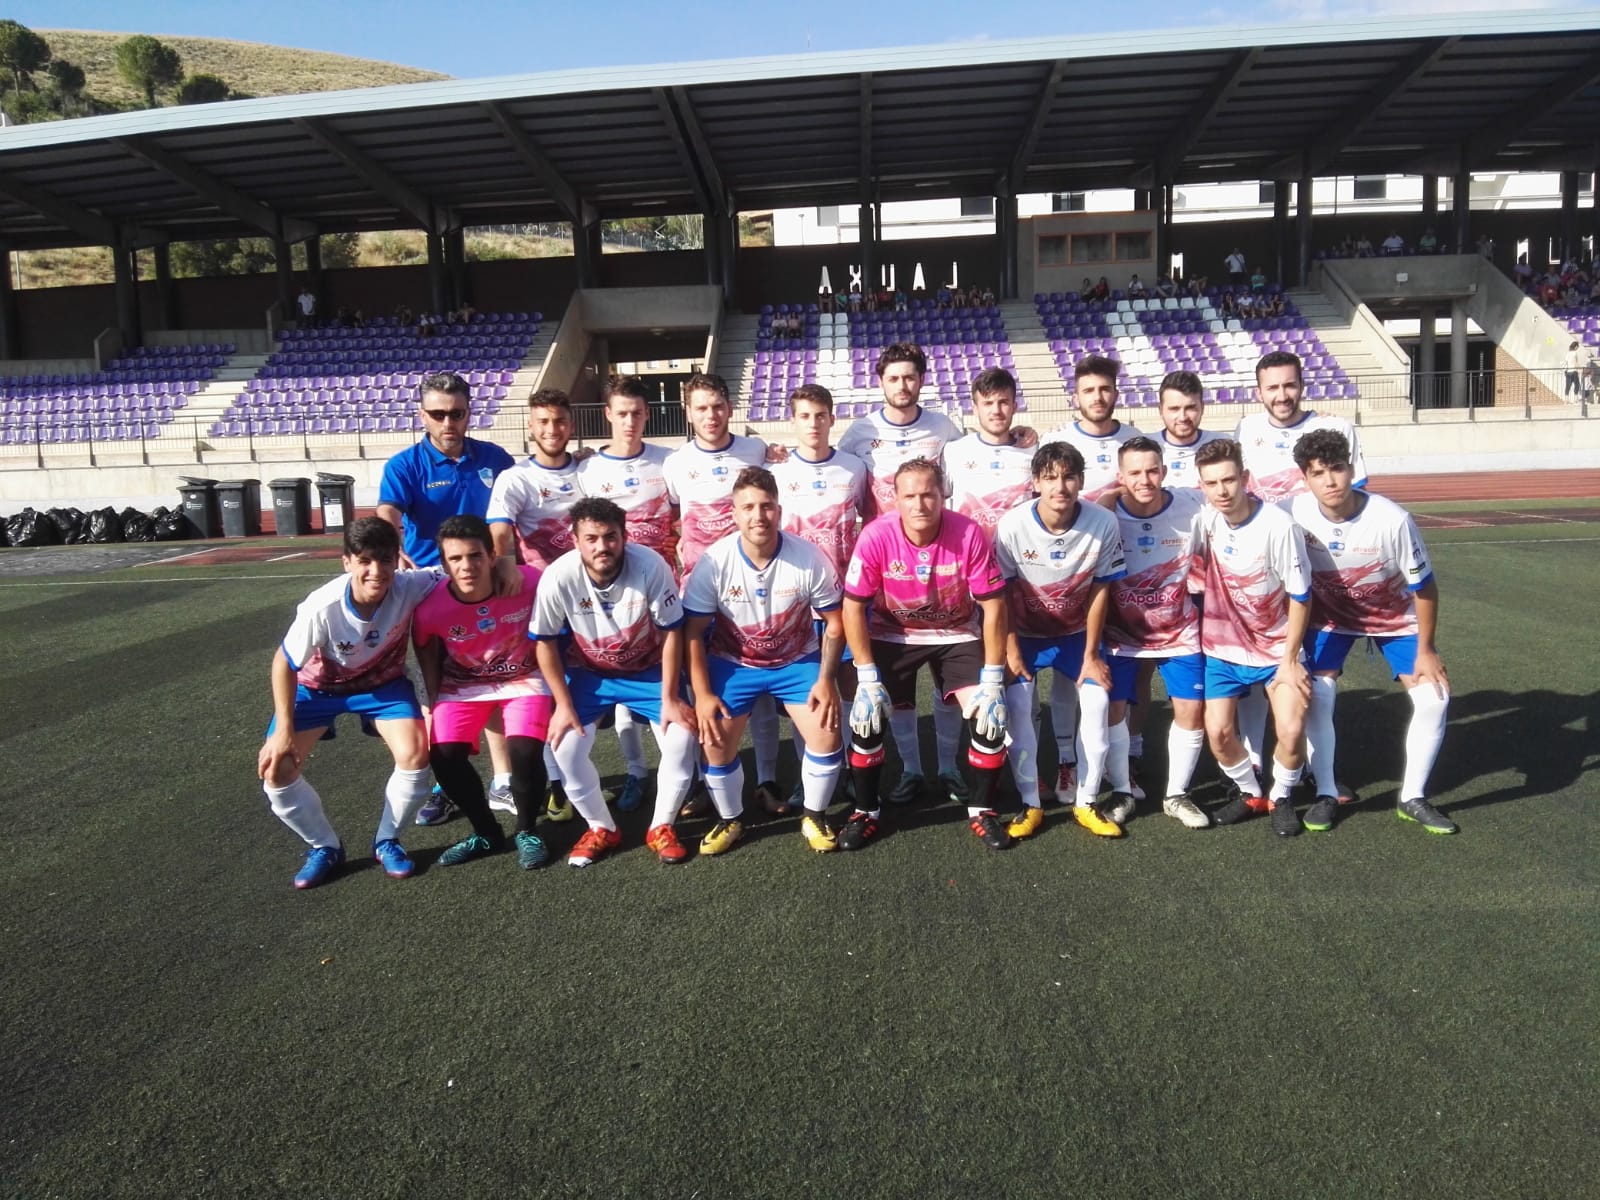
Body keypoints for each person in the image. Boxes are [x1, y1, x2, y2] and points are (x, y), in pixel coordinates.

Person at [256, 518, 506, 889]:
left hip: (382, 687)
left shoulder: (412, 584)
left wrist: (508, 564)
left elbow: (465, 565)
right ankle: (324, 846)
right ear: (347, 563)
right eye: (365, 561)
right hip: (316, 690)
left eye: (385, 560)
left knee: (417, 754)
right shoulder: (321, 607)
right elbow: (283, 663)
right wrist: (284, 730)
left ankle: (387, 840)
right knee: (277, 770)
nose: (377, 571)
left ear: (396, 560)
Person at [837, 344, 1031, 806]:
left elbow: (980, 448)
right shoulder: (858, 433)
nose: (902, 385)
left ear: (922, 380)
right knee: (892, 700)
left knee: (959, 697)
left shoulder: (945, 428)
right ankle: (909, 772)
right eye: (894, 377)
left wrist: (1021, 435)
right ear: (880, 381)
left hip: (949, 573)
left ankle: (948, 770)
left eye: (910, 377)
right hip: (889, 575)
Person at [840, 458, 1014, 851]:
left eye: (928, 494)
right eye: (910, 496)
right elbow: (852, 607)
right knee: (866, 716)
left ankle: (982, 809)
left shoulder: (968, 532)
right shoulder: (875, 535)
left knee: (989, 716)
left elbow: (994, 605)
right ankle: (866, 811)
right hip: (893, 633)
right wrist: (867, 678)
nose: (920, 504)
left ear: (942, 495)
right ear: (895, 500)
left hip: (957, 632)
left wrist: (991, 678)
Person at [1289, 430, 1456, 835]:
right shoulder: (1291, 512)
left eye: (1338, 469)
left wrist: (1427, 648)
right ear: (1305, 478)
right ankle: (1327, 792)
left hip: (1393, 618)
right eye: (1318, 473)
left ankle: (1412, 797)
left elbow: (1425, 587)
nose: (1330, 481)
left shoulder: (1392, 519)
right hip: (1329, 618)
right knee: (1317, 694)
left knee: (1434, 698)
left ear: (1352, 469)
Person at [375, 371, 520, 825]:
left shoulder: (495, 458)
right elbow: (388, 511)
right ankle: (448, 783)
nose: (448, 422)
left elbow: (520, 500)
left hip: (488, 582)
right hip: (430, 587)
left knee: (495, 679)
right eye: (438, 414)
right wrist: (390, 542)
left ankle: (504, 781)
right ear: (422, 415)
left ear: (468, 413)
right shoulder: (405, 466)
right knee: (438, 690)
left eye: (456, 413)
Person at [683, 468, 848, 855]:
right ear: (734, 514)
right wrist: (704, 694)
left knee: (826, 733)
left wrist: (826, 680)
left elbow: (836, 625)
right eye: (749, 508)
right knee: (714, 741)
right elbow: (692, 633)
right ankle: (730, 819)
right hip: (733, 662)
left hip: (796, 662)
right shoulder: (714, 561)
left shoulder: (808, 556)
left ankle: (814, 814)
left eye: (766, 506)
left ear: (779, 509)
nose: (759, 516)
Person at [531, 498, 700, 867]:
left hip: (648, 671)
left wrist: (671, 697)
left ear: (624, 537)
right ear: (575, 539)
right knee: (564, 748)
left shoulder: (650, 565)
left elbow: (673, 631)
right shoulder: (558, 576)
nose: (602, 546)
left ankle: (661, 826)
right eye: (591, 538)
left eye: (610, 536)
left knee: (682, 737)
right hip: (590, 676)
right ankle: (601, 827)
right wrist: (562, 705)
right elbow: (544, 642)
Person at [994, 443, 1128, 840]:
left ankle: (1086, 801)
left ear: (1081, 481)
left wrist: (1091, 653)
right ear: (1035, 482)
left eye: (1069, 476)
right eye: (1050, 477)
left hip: (1075, 636)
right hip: (1027, 635)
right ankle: (1030, 803)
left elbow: (1101, 590)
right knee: (1018, 705)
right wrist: (1012, 648)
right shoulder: (1013, 525)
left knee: (1098, 701)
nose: (1060, 486)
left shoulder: (1103, 523)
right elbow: (1001, 594)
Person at [662, 372, 782, 813]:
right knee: (700, 690)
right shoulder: (674, 464)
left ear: (730, 408)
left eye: (717, 406)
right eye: (701, 408)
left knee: (760, 686)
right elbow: (674, 516)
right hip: (698, 593)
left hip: (752, 592)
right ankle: (700, 780)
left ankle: (767, 779)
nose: (710, 415)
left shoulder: (756, 452)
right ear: (688, 413)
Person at [412, 515, 553, 869]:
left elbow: (564, 593)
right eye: (455, 559)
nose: (466, 566)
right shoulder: (431, 608)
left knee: (523, 751)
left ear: (492, 556)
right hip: (462, 686)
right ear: (443, 564)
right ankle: (486, 832)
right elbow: (425, 646)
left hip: (525, 680)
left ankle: (526, 830)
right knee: (442, 756)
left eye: (475, 555)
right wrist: (433, 698)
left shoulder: (529, 582)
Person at [1192, 439, 1312, 837]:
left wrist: (1290, 660)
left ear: (1244, 478)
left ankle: (1281, 796)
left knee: (1292, 729)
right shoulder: (1205, 520)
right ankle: (1249, 792)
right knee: (1219, 734)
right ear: (1202, 486)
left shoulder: (1279, 526)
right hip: (1224, 652)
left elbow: (1300, 596)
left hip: (1276, 651)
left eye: (1229, 480)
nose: (1222, 491)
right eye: (1212, 483)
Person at [575, 375, 677, 812]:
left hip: (664, 588)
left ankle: (680, 773)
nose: (630, 421)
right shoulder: (589, 470)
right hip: (610, 597)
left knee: (666, 682)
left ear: (647, 414)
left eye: (637, 412)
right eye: (622, 413)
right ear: (608, 416)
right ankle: (637, 771)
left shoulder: (669, 462)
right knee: (620, 683)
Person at [1104, 438, 1211, 829]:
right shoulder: (1104, 514)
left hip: (1179, 632)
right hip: (1120, 636)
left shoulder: (1192, 505)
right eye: (1134, 472)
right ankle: (1120, 790)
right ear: (1120, 477)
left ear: (1164, 471)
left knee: (1191, 710)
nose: (1144, 479)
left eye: (1152, 470)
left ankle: (1176, 795)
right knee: (1113, 709)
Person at [1235, 350, 1366, 503]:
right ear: (1259, 393)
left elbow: (1357, 491)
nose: (1282, 396)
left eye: (1289, 386)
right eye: (1272, 388)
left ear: (1302, 386)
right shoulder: (1246, 428)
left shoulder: (1336, 428)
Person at [488, 388, 584, 570]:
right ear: (530, 426)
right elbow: (499, 533)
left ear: (572, 426)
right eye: (543, 421)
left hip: (585, 583)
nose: (552, 429)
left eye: (560, 421)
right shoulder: (514, 478)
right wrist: (503, 568)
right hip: (538, 585)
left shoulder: (587, 469)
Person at [942, 367, 1036, 535]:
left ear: (1014, 407)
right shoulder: (954, 451)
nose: (996, 411)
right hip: (970, 556)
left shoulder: (1033, 451)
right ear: (975, 408)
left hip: (1018, 558)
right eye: (988, 403)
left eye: (1003, 402)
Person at [1153, 370, 1228, 492]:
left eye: (1190, 408)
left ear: (1202, 408)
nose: (1183, 417)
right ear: (1160, 410)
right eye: (1174, 409)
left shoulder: (1224, 445)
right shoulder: (1145, 447)